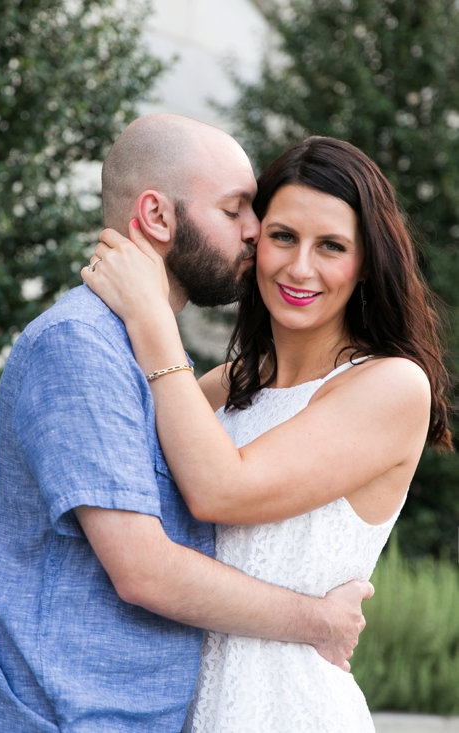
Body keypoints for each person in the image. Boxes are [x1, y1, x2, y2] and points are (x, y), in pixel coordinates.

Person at [0, 115, 374, 732]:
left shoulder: (158, 356)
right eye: (236, 210)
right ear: (158, 216)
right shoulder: (82, 345)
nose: (255, 232)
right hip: (70, 716)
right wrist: (319, 620)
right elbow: (143, 569)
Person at [82, 135, 449, 731]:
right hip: (180, 702)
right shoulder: (227, 384)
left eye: (331, 246)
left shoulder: (392, 386)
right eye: (283, 237)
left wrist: (150, 318)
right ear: (254, 243)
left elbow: (220, 490)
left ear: (366, 265)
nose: (300, 267)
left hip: (289, 706)